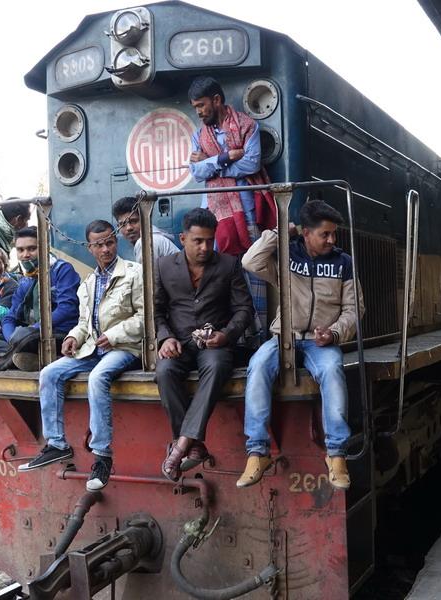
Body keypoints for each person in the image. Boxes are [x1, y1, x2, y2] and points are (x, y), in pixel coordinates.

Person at [237, 200, 364, 490]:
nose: (332, 240)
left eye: (334, 234)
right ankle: (257, 452)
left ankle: (336, 455)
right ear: (306, 233)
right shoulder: (286, 254)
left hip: (321, 342)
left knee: (333, 371)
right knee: (257, 366)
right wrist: (283, 231)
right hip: (284, 337)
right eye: (325, 234)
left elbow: (354, 309)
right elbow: (249, 261)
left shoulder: (344, 263)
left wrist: (333, 333)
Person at [19, 220, 144, 492]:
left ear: (116, 242)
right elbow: (85, 322)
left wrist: (114, 335)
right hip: (92, 349)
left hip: (124, 348)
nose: (105, 249)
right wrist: (73, 337)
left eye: (109, 242)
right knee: (49, 373)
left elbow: (145, 317)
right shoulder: (88, 283)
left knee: (98, 378)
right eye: (99, 245)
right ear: (90, 248)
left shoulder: (135, 273)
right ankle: (56, 444)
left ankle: (102, 456)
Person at [155, 208, 253, 481]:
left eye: (210, 241)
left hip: (215, 344)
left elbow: (244, 309)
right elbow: (157, 311)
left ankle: (180, 446)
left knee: (217, 366)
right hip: (179, 343)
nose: (205, 247)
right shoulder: (164, 266)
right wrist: (165, 337)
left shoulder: (228, 264)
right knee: (164, 371)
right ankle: (193, 444)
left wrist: (227, 335)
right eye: (198, 241)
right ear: (182, 238)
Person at [188, 76, 276, 343]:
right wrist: (225, 157)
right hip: (214, 219)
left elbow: (251, 164)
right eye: (195, 107)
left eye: (201, 105)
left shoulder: (248, 125)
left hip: (247, 214)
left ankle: (257, 339)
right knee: (219, 279)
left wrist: (211, 164)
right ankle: (225, 337)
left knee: (253, 274)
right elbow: (196, 172)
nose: (199, 112)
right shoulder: (198, 135)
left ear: (216, 100)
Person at [0, 227, 82, 371]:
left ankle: (8, 360)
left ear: (44, 247)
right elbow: (9, 318)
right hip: (28, 336)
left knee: (27, 338)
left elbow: (67, 309)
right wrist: (12, 338)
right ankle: (26, 357)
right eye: (20, 250)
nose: (25, 255)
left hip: (58, 334)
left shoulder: (62, 270)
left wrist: (31, 330)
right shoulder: (26, 280)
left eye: (32, 249)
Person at [111, 196, 180, 265]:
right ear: (118, 227)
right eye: (123, 224)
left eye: (134, 221)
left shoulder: (147, 241)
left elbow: (148, 272)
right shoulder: (153, 238)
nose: (129, 228)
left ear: (145, 220)